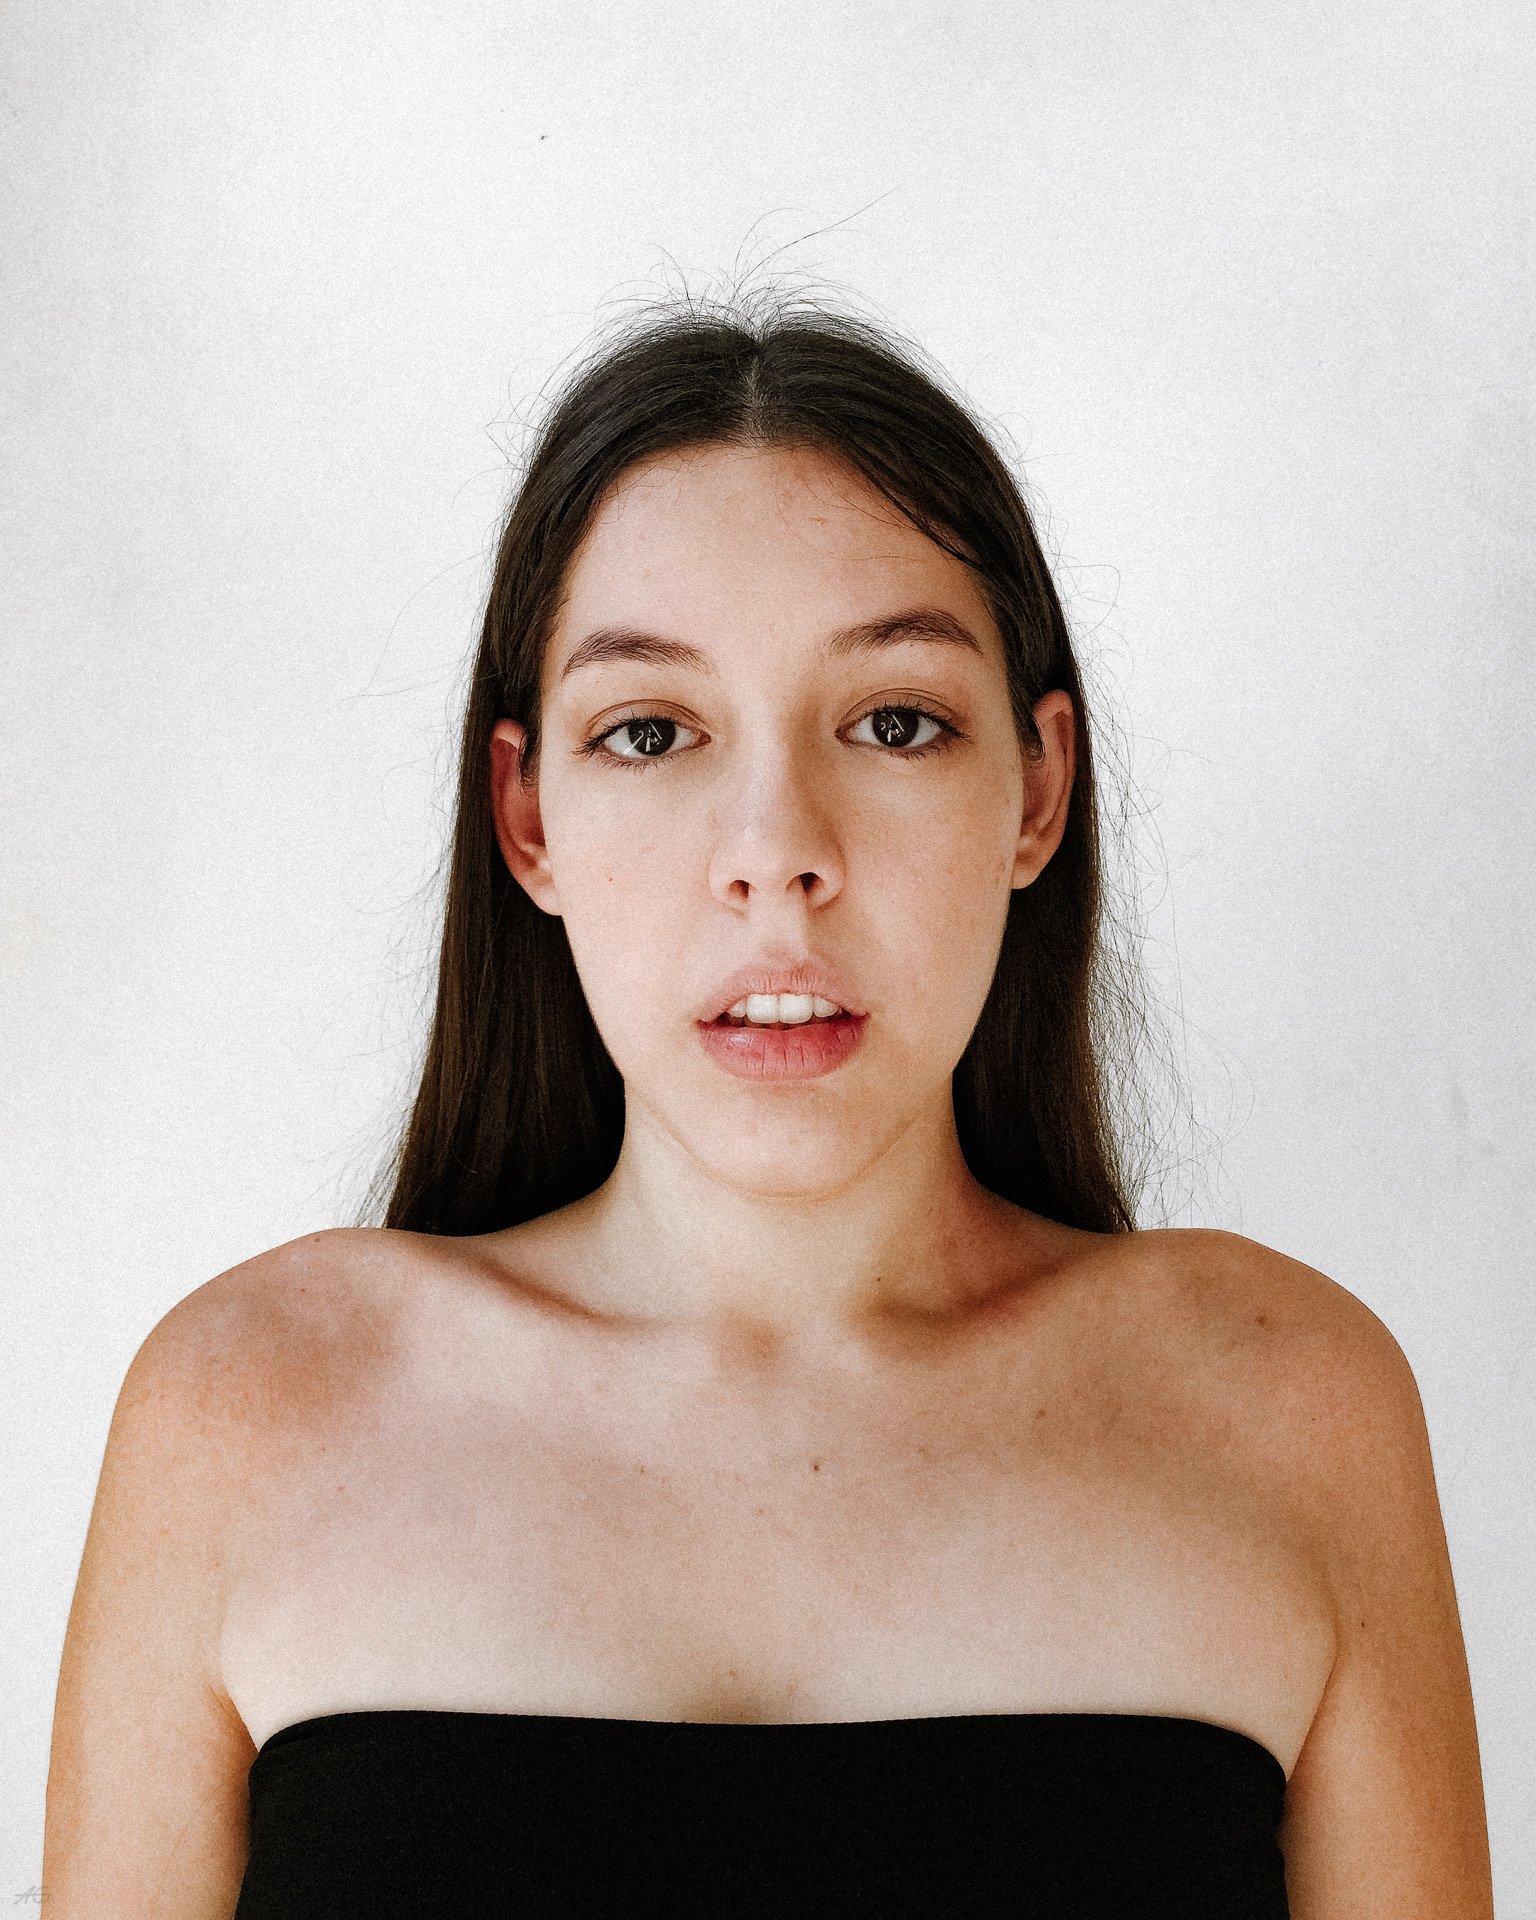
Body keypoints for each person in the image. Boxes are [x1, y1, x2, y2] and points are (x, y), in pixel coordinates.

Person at [41, 291, 1493, 1918]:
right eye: (652, 731)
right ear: (527, 818)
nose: (776, 850)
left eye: (895, 722)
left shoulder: (1291, 1411)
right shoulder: (244, 1416)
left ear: (1037, 790)